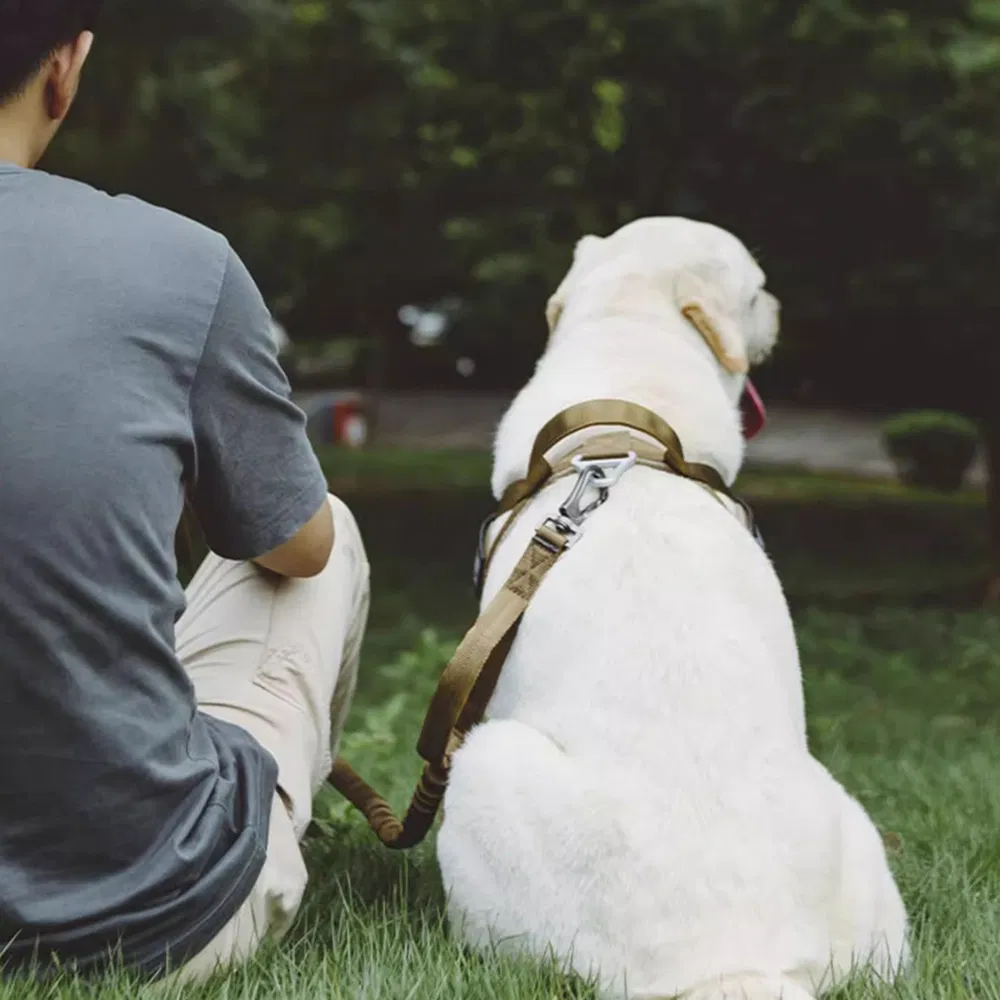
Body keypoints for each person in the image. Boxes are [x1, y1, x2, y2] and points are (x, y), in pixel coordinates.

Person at [0, 0, 370, 981]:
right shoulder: (179, 265)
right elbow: (298, 548)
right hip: (148, 917)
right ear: (64, 69)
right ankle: (272, 822)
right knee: (329, 533)